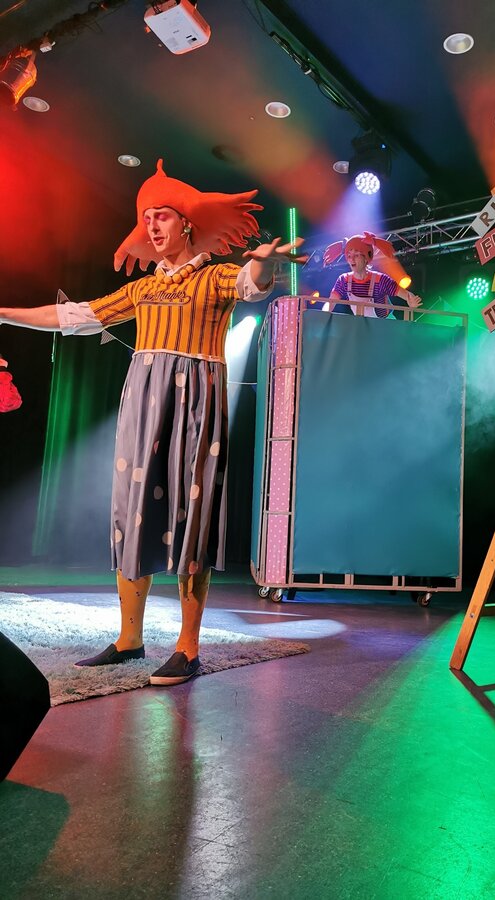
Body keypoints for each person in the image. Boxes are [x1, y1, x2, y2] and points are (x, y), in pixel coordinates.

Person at [0, 159, 305, 686]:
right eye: (146, 219)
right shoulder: (142, 291)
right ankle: (129, 639)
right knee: (132, 511)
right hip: (142, 402)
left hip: (195, 405)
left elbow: (252, 283)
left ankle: (188, 647)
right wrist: (4, 312)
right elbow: (74, 317)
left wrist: (263, 265)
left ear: (186, 223)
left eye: (161, 216)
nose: (152, 226)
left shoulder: (212, 278)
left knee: (192, 514)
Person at [323, 232, 423, 317]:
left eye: (356, 255)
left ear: (366, 258)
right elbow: (330, 302)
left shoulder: (380, 280)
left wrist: (411, 301)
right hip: (362, 327)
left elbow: (407, 295)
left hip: (386, 326)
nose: (351, 259)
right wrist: (323, 314)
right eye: (349, 256)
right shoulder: (343, 280)